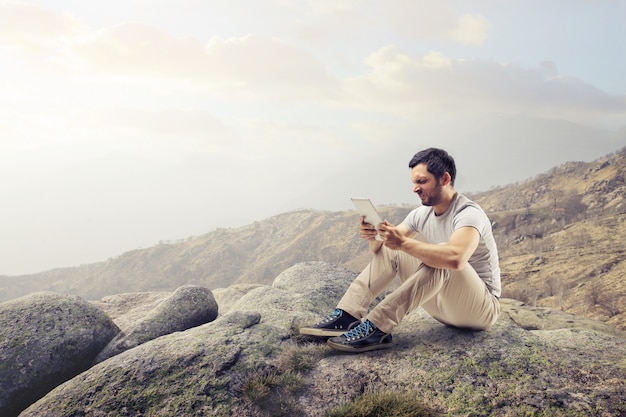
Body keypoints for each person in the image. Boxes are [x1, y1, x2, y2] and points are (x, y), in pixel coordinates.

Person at [300, 148, 501, 353]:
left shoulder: (468, 214)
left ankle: (378, 327)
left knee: (441, 255)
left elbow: (456, 259)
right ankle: (347, 315)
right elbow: (385, 250)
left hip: (480, 310)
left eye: (422, 182)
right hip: (444, 308)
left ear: (445, 178)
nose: (415, 188)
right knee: (393, 249)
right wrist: (374, 236)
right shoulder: (421, 214)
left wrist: (403, 243)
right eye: (414, 182)